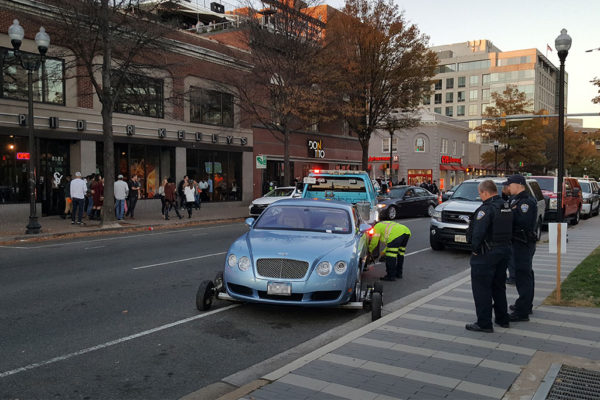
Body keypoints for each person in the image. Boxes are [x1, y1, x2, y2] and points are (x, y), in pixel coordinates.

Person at [465, 179, 513, 333]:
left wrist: (474, 249)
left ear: (485, 192)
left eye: (480, 193)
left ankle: (484, 323)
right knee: (499, 286)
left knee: (481, 289)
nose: (480, 196)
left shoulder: (486, 209)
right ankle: (502, 318)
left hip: (486, 254)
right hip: (504, 251)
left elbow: (478, 233)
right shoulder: (506, 206)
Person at [504, 174, 538, 321]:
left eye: (509, 185)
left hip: (523, 243)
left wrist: (508, 215)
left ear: (518, 185)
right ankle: (525, 304)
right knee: (524, 274)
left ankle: (522, 312)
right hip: (517, 242)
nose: (507, 187)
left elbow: (522, 222)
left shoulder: (526, 202)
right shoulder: (515, 199)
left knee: (523, 276)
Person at [501, 185, 516, 285]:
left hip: (513, 235)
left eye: (504, 187)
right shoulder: (511, 199)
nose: (503, 190)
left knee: (511, 257)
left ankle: (513, 277)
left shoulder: (515, 200)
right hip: (509, 234)